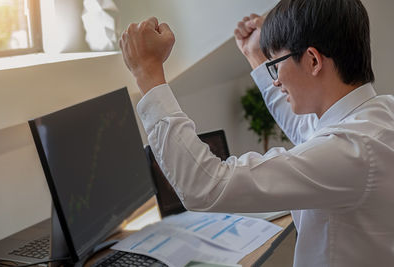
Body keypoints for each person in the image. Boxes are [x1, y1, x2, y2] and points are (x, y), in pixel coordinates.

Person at [119, 0, 394, 266]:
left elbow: (205, 186)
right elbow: (309, 133)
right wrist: (256, 55)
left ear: (313, 60)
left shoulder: (350, 150)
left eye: (276, 64)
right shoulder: (379, 114)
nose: (275, 79)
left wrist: (147, 73)